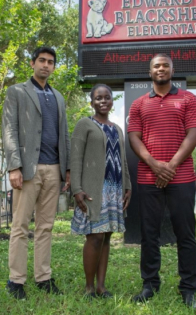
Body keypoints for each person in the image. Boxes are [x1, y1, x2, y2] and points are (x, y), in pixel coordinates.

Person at [128, 53, 196, 308]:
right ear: (150, 72)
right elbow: (134, 138)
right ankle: (150, 284)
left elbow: (194, 134)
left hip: (181, 177)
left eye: (165, 66)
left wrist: (169, 166)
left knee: (185, 234)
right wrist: (154, 165)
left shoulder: (189, 99)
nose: (161, 69)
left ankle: (188, 287)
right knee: (149, 234)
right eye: (156, 66)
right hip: (148, 178)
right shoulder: (138, 104)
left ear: (172, 70)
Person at [2, 46, 71, 300]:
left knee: (46, 226)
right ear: (32, 63)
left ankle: (43, 277)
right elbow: (9, 129)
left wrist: (67, 168)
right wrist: (14, 166)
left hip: (54, 168)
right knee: (20, 226)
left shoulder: (59, 97)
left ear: (53, 67)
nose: (46, 65)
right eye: (41, 60)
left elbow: (64, 134)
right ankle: (16, 280)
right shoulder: (17, 91)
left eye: (50, 62)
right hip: (27, 168)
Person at [70, 84, 131, 299]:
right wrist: (76, 189)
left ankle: (101, 287)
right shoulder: (84, 124)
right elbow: (75, 158)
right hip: (94, 190)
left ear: (112, 101)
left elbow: (122, 160)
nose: (103, 101)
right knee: (94, 237)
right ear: (91, 102)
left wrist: (128, 186)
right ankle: (88, 287)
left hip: (114, 189)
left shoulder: (117, 129)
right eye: (98, 98)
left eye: (107, 97)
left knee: (106, 238)